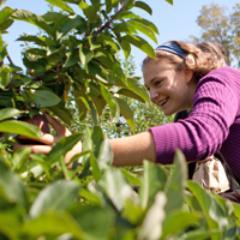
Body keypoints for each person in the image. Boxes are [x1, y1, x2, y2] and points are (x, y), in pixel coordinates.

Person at [19, 40, 240, 199]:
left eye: (159, 82)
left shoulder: (223, 78)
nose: (152, 96)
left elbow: (198, 137)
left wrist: (89, 152)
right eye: (147, 88)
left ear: (188, 71)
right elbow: (183, 183)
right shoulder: (184, 115)